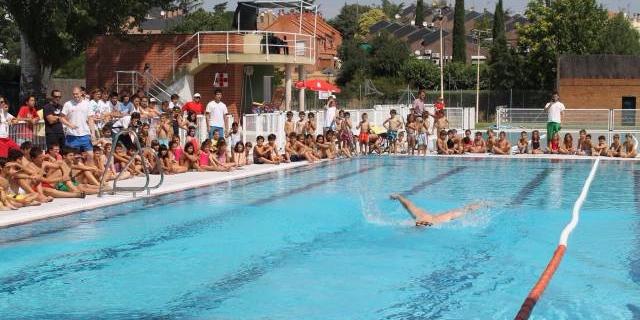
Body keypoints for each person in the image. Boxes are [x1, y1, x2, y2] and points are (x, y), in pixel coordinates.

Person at [390, 193, 485, 227]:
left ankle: (481, 204)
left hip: (433, 219)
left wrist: (398, 196)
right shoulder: (420, 215)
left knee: (461, 211)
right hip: (431, 218)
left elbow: (408, 204)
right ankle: (482, 204)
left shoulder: (421, 216)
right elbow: (408, 204)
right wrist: (398, 196)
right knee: (462, 211)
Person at [61, 87, 95, 162]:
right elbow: (62, 118)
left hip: (85, 134)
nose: (75, 96)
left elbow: (90, 119)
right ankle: (70, 173)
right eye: (74, 94)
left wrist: (93, 133)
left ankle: (89, 171)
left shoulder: (87, 104)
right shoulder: (68, 104)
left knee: (90, 155)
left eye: (77, 94)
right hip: (72, 135)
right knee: (71, 158)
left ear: (81, 93)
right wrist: (69, 125)